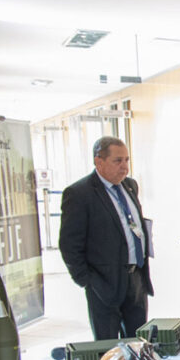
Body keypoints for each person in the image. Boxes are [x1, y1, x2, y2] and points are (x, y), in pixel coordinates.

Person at [60, 136, 153, 340]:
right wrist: (88, 281)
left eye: (127, 160)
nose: (124, 167)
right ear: (99, 162)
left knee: (139, 344)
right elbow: (69, 244)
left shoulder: (130, 186)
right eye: (118, 161)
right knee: (108, 348)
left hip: (136, 280)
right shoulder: (79, 193)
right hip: (104, 284)